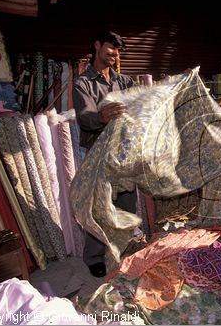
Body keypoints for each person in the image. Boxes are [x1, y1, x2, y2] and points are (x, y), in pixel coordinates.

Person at [72, 30, 136, 277]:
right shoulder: (83, 83)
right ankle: (94, 257)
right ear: (97, 46)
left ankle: (123, 248)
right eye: (111, 48)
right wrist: (101, 116)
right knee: (99, 206)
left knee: (127, 202)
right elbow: (85, 118)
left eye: (118, 50)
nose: (115, 54)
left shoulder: (124, 82)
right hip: (99, 153)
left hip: (123, 152)